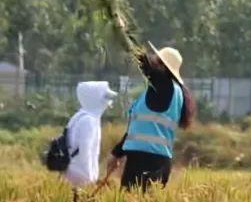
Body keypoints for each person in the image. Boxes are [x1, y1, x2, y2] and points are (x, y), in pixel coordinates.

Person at [108, 44, 196, 190]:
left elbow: (145, 66)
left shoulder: (165, 86)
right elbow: (137, 131)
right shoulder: (167, 91)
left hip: (146, 162)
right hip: (151, 160)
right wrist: (116, 154)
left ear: (162, 66)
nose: (152, 62)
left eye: (155, 60)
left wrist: (127, 41)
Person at [63, 82, 118, 191]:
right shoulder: (89, 121)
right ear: (94, 99)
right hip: (80, 176)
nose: (107, 103)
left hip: (72, 171)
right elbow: (85, 153)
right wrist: (90, 180)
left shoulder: (80, 116)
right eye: (105, 98)